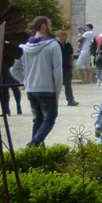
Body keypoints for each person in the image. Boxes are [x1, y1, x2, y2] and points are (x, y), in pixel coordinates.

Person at [11, 16, 63, 147]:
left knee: (38, 120)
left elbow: (13, 70)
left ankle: (38, 152)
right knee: (50, 119)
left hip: (31, 89)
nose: (51, 27)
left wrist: (26, 81)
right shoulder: (53, 45)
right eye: (49, 24)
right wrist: (58, 92)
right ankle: (33, 145)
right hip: (47, 89)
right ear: (44, 26)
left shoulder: (23, 47)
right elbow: (57, 71)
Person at [57, 29, 79, 106]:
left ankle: (70, 100)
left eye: (65, 35)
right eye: (62, 35)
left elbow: (71, 56)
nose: (64, 37)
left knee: (68, 85)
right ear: (58, 36)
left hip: (67, 68)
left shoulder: (68, 45)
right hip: (57, 68)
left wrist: (72, 67)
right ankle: (54, 101)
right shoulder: (55, 45)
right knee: (55, 85)